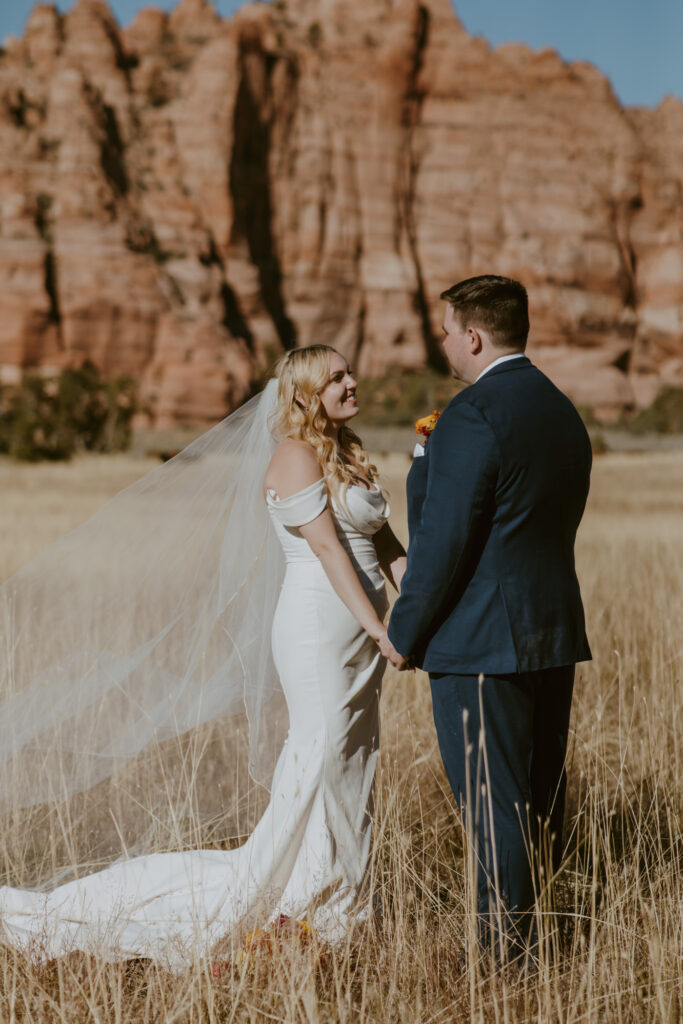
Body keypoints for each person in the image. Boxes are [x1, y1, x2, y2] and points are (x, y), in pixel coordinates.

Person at [0, 345, 406, 967]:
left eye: (350, 372)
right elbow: (330, 552)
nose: (353, 382)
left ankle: (341, 895)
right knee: (321, 750)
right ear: (304, 395)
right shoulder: (295, 457)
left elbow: (383, 543)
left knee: (353, 757)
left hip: (359, 629)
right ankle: (301, 897)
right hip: (322, 626)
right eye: (337, 378)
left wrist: (417, 608)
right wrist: (381, 627)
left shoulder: (347, 451)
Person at [380, 275, 592, 961]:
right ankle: (545, 939)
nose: (442, 341)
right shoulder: (559, 409)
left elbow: (443, 541)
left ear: (472, 336)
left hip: (477, 643)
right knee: (536, 799)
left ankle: (507, 961)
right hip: (549, 631)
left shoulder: (473, 414)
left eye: (445, 330)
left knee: (492, 804)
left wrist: (403, 633)